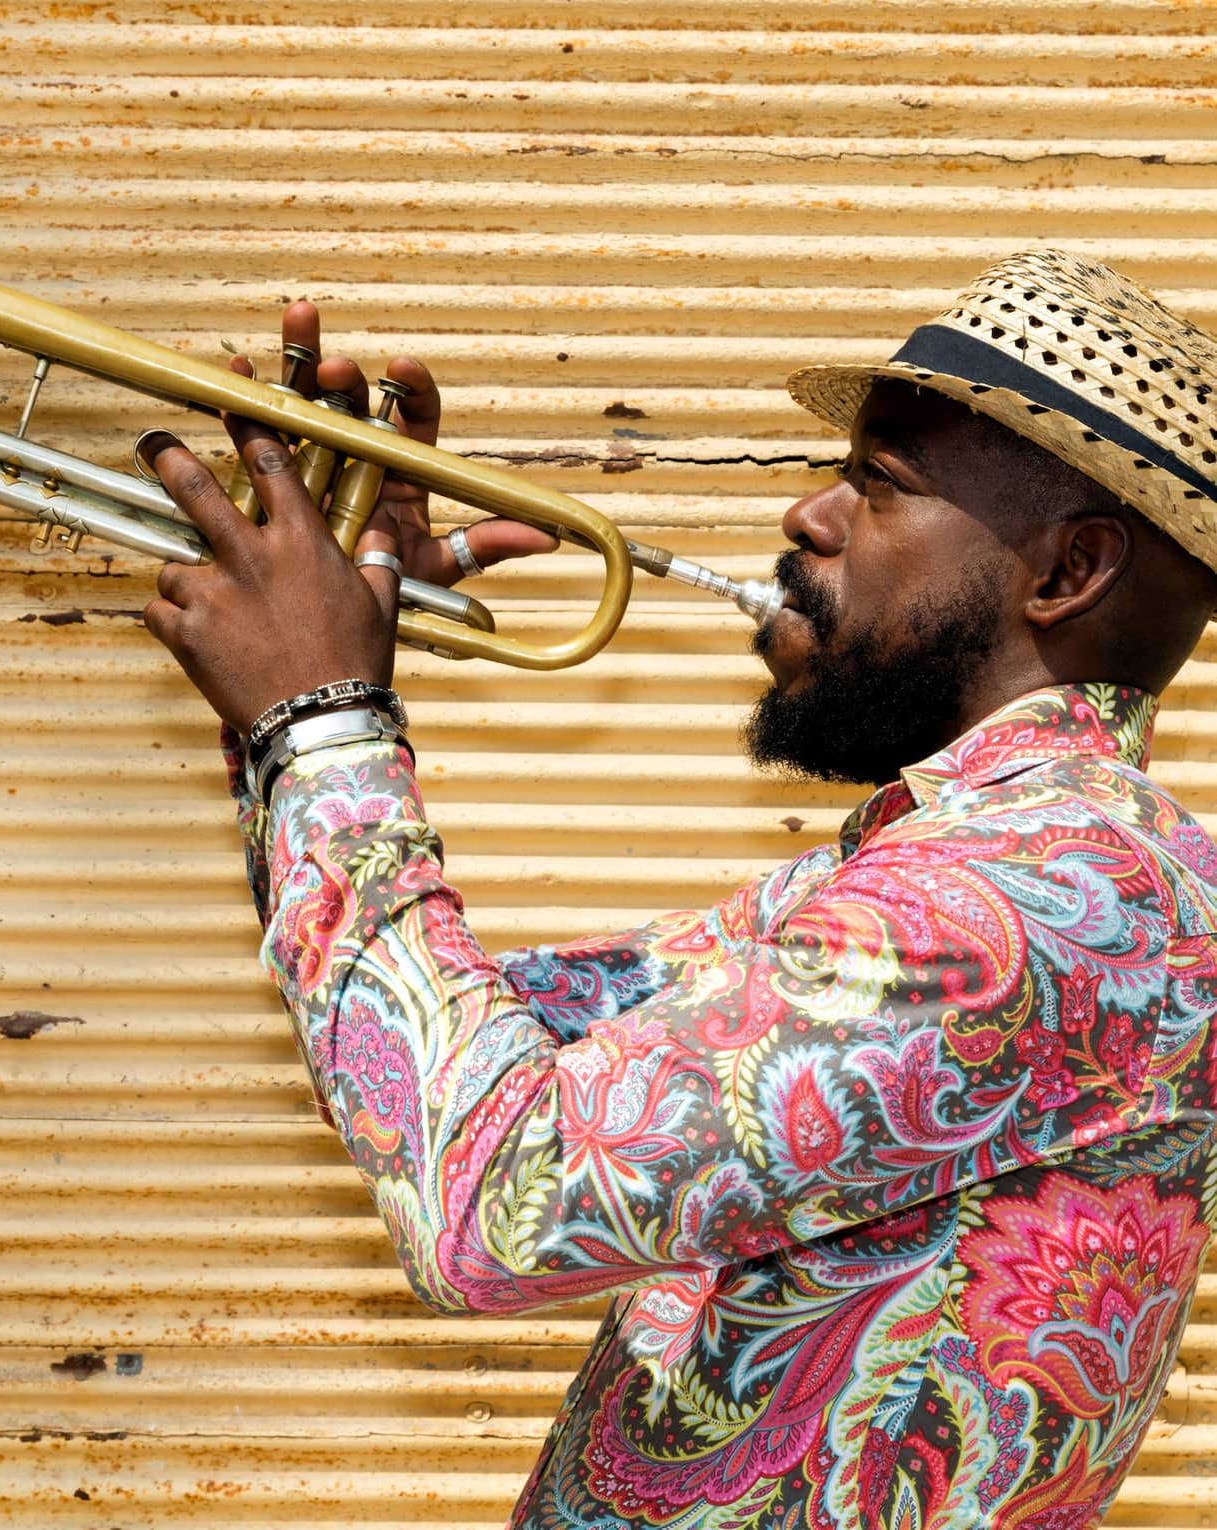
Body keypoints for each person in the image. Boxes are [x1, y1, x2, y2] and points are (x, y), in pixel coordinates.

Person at [140, 248, 1217, 1529]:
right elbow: (436, 1062)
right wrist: (325, 665)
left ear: (1067, 572)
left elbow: (485, 1194)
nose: (808, 520)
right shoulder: (970, 865)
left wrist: (322, 718)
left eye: (878, 484)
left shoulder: (1037, 903)